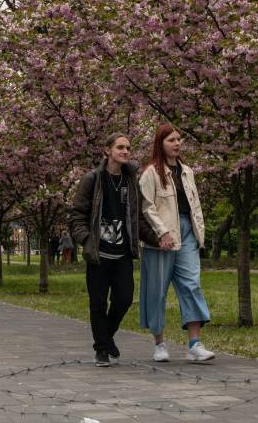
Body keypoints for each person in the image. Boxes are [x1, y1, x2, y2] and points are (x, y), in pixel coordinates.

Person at [138, 124, 215, 363]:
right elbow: (147, 207)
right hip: (162, 237)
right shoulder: (150, 173)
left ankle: (195, 344)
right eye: (171, 139)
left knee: (192, 284)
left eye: (179, 139)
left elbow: (195, 206)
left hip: (187, 233)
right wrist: (161, 232)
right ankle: (159, 344)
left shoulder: (187, 171)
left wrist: (199, 235)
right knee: (156, 290)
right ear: (160, 143)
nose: (177, 143)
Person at [68, 133, 141, 368]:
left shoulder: (131, 180)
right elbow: (77, 215)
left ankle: (106, 338)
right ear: (107, 150)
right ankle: (101, 349)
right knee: (98, 303)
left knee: (124, 299)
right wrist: (86, 240)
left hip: (122, 254)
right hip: (99, 254)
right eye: (120, 147)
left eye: (128, 147)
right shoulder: (92, 179)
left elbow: (137, 216)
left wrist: (159, 237)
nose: (125, 151)